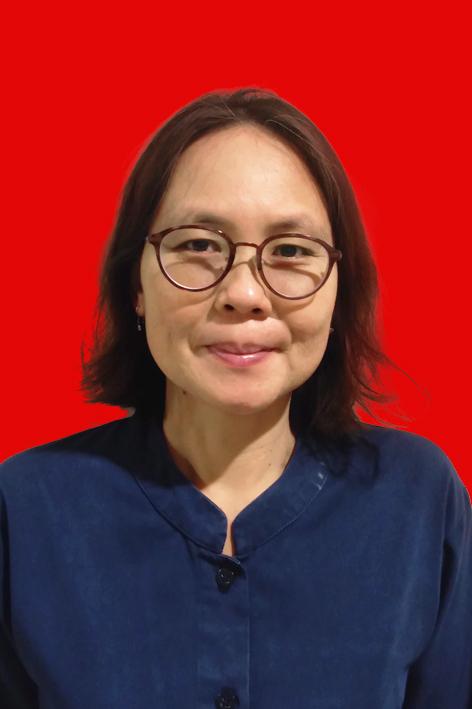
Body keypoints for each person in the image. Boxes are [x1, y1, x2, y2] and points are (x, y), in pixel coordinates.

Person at [1, 87, 471, 709]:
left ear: (338, 292)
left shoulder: (419, 498)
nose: (245, 294)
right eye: (199, 245)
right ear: (135, 285)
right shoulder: (25, 508)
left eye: (291, 251)